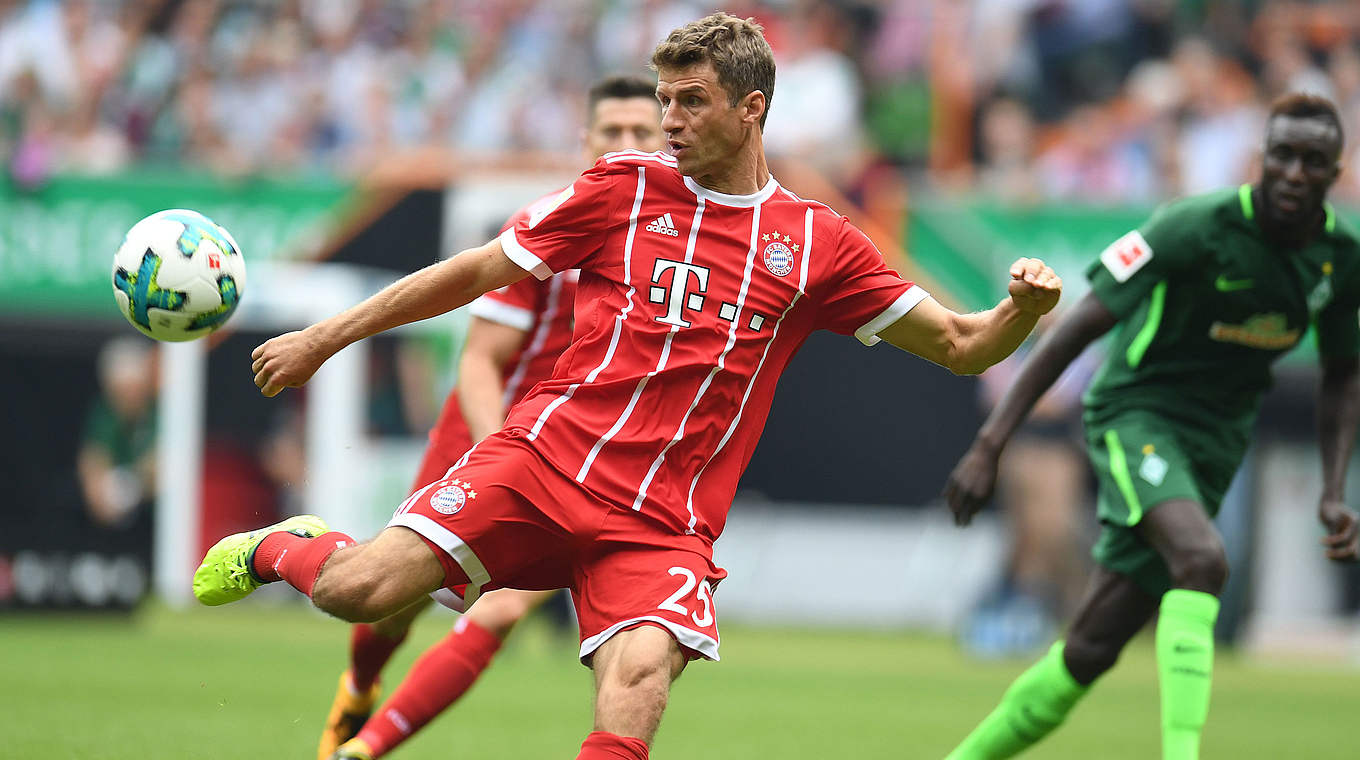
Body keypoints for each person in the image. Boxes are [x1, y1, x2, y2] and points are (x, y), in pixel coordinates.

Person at [196, 14, 1061, 760]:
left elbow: (962, 344)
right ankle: (287, 546)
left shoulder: (816, 242)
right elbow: (471, 273)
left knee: (639, 681)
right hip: (542, 464)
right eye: (665, 101)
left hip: (662, 525)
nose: (668, 123)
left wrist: (1020, 309)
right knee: (356, 593)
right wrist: (322, 337)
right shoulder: (619, 190)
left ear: (751, 108)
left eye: (692, 103)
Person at [942, 93, 1360, 760]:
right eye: (1281, 155)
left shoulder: (1341, 256)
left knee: (1090, 649)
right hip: (1136, 414)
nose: (1293, 173)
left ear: (1335, 172)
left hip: (1215, 446)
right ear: (1260, 158)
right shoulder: (1191, 226)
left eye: (1313, 161)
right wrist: (990, 442)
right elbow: (1069, 335)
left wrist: (1334, 489)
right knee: (1202, 559)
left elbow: (1343, 375)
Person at [316, 74, 667, 760]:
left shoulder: (684, 245)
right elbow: (480, 361)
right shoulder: (553, 229)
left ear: (669, 141)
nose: (627, 145)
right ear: (586, 142)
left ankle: (362, 750)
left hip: (581, 461)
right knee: (394, 601)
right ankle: (358, 688)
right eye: (612, 133)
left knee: (503, 607)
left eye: (642, 133)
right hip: (488, 433)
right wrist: (496, 457)